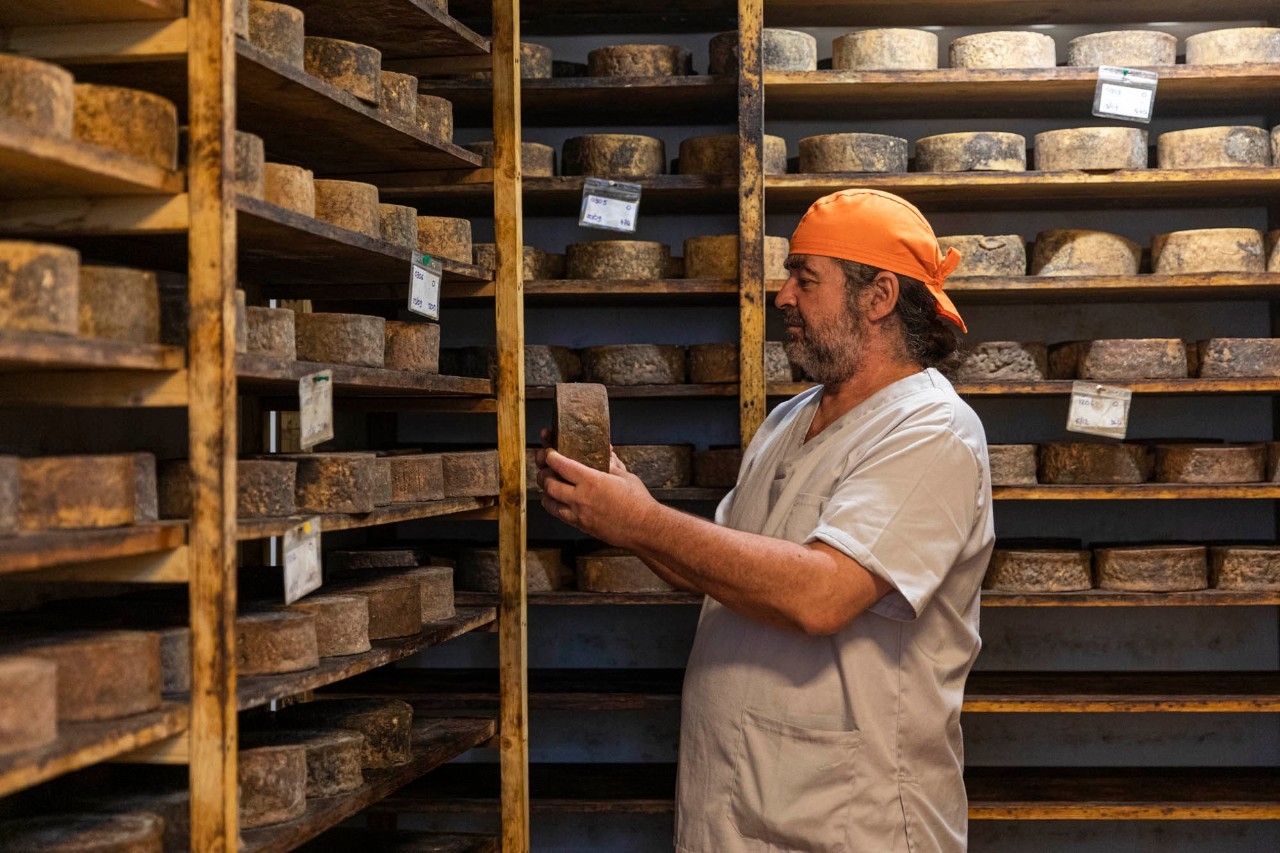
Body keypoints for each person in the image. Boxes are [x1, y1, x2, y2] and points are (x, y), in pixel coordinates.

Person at [536, 188, 994, 853]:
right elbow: (721, 572)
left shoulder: (933, 430)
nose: (782, 295)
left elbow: (822, 594)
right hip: (736, 809)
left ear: (879, 296)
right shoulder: (788, 420)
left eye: (804, 279)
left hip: (846, 818)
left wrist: (642, 521)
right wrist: (621, 506)